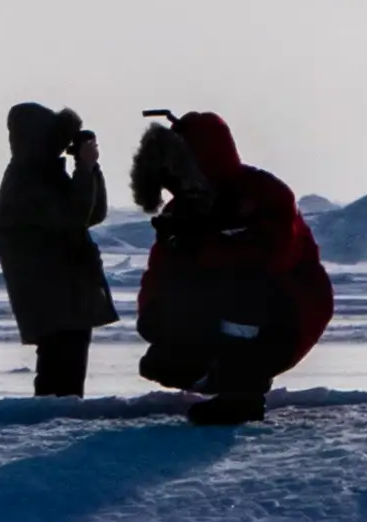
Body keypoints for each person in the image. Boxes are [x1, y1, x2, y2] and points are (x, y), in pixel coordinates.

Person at [126, 111, 335, 420]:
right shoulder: (181, 210)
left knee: (245, 292)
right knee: (163, 361)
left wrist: (204, 244)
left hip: (292, 310)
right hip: (223, 309)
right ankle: (219, 377)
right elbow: (160, 270)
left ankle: (243, 393)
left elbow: (274, 256)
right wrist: (152, 314)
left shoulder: (262, 193)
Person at [0, 104, 117, 400]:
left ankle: (56, 425)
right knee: (59, 378)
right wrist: (84, 170)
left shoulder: (44, 175)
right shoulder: (27, 182)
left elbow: (92, 213)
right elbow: (73, 217)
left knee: (66, 373)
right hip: (53, 296)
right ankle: (52, 430)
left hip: (64, 294)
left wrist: (90, 170)